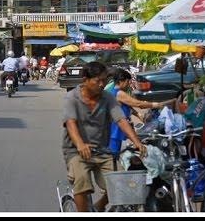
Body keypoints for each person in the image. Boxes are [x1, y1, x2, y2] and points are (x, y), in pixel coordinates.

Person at [63, 61, 148, 212]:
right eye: (98, 81)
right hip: (76, 151)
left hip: (102, 151)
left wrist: (137, 142)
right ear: (85, 80)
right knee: (82, 183)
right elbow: (71, 124)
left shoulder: (107, 98)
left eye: (104, 80)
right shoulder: (72, 98)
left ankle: (100, 204)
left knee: (121, 183)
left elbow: (121, 120)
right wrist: (80, 144)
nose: (102, 84)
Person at [108, 69, 176, 154]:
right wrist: (155, 105)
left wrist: (138, 115)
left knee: (118, 151)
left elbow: (126, 106)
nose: (129, 85)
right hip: (115, 128)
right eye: (128, 82)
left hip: (117, 127)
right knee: (113, 155)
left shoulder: (114, 92)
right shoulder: (119, 93)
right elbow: (138, 104)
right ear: (122, 81)